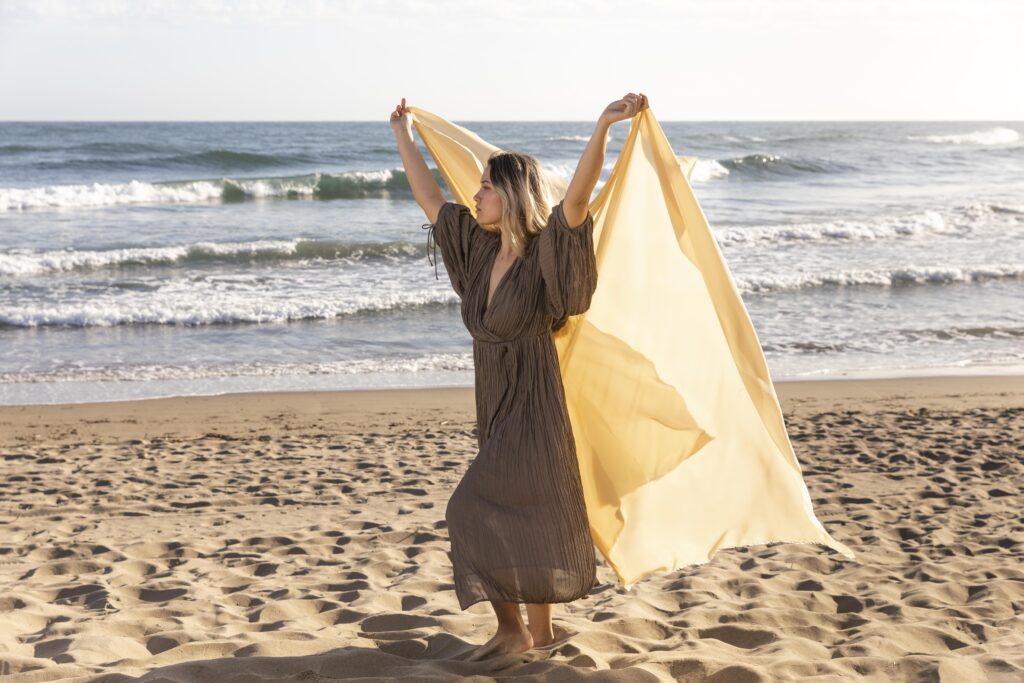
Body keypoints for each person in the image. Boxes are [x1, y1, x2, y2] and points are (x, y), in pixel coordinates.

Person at [389, 92, 649, 661]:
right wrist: (402, 135)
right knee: (528, 508)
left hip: (534, 401)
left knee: (470, 508)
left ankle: (512, 631)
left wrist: (603, 124)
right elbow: (429, 197)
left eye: (485, 186)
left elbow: (577, 202)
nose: (475, 194)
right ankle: (543, 633)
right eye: (479, 186)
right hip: (495, 398)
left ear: (510, 194)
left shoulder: (543, 255)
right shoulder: (478, 252)